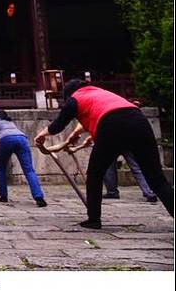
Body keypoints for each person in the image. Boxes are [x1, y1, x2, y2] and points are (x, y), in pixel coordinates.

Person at [34, 79, 173, 229]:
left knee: (95, 174)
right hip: (139, 121)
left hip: (111, 125)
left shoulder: (75, 98)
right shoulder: (101, 93)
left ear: (68, 94)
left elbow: (58, 125)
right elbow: (109, 113)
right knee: (156, 178)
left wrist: (42, 134)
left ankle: (94, 219)